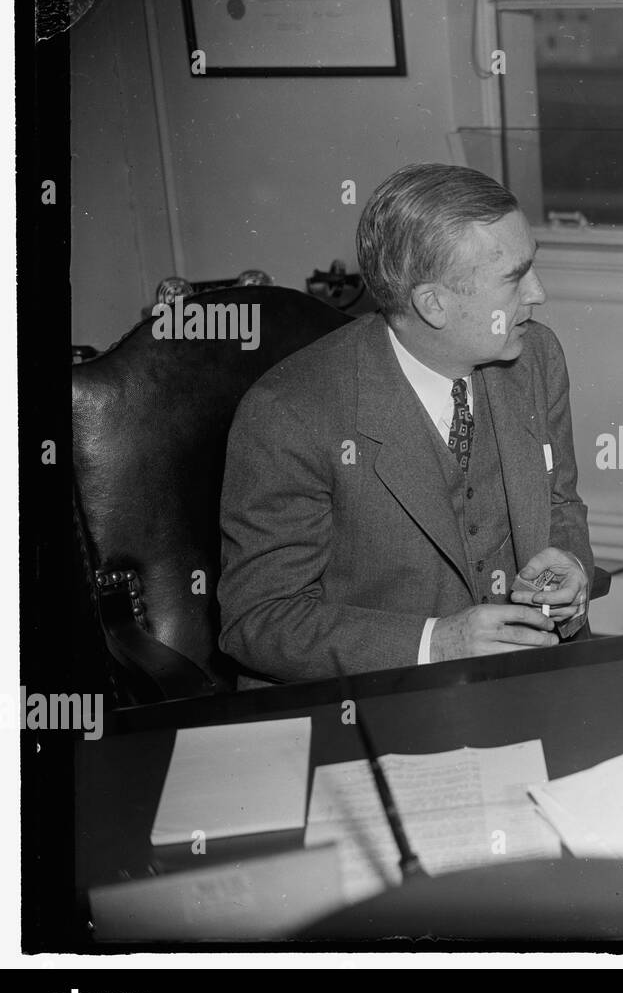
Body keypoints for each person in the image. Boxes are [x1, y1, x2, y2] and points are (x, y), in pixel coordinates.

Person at [219, 164, 592, 682]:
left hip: (527, 680)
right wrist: (437, 644)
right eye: (514, 277)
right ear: (433, 304)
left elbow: (560, 504)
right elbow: (258, 619)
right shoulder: (291, 412)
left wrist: (570, 569)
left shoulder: (536, 357)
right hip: (373, 700)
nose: (538, 292)